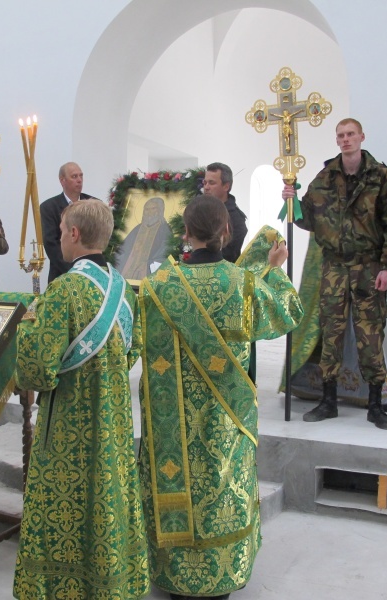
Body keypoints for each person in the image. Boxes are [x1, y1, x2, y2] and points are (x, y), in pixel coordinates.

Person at [139, 195, 302, 599]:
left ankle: (173, 573)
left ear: (186, 233)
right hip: (226, 418)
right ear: (226, 231)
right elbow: (288, 312)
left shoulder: (158, 287)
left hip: (172, 423)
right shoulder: (242, 284)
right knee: (222, 486)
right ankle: (222, 575)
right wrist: (275, 270)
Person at [13, 199, 149, 599]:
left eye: (60, 232)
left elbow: (37, 369)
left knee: (65, 507)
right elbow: (132, 351)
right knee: (109, 500)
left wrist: (26, 326)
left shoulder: (65, 290)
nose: (58, 238)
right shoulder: (124, 289)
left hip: (68, 427)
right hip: (114, 421)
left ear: (74, 233)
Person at [282, 117, 387, 429]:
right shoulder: (325, 177)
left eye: (350, 134)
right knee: (331, 332)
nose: (345, 139)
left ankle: (375, 404)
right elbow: (309, 219)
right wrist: (292, 202)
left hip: (368, 265)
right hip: (334, 266)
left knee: (370, 333)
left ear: (362, 136)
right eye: (341, 135)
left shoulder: (380, 175)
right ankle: (328, 401)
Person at [40, 162, 95, 283]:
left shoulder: (94, 204)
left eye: (81, 176)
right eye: (74, 176)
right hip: (61, 275)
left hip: (92, 273)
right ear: (62, 180)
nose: (79, 180)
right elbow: (51, 243)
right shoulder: (49, 207)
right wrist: (75, 272)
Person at [115, 195, 173, 280]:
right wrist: (134, 249)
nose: (149, 212)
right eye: (147, 209)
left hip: (149, 272)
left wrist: (148, 264)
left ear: (160, 210)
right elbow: (123, 250)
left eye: (153, 208)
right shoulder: (137, 229)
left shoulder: (164, 229)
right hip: (128, 270)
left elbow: (165, 252)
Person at [203, 162, 248, 262]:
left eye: (211, 183)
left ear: (226, 186)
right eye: (205, 183)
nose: (206, 187)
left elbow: (229, 255)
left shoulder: (236, 218)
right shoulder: (200, 210)